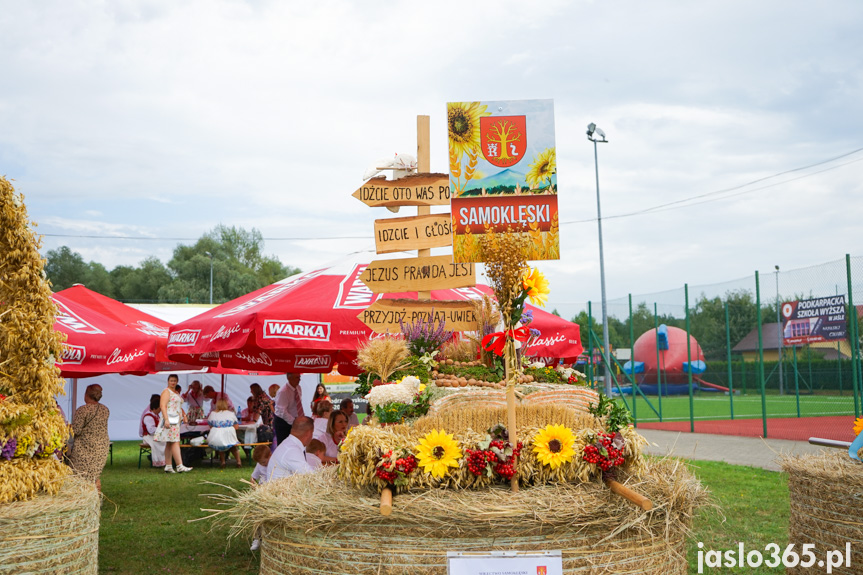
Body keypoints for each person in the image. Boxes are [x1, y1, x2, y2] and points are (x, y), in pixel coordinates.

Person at [69, 384, 111, 489]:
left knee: (80, 476)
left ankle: (84, 501)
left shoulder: (82, 410)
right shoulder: (105, 409)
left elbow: (76, 430)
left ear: (86, 395)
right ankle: (96, 500)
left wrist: (68, 427)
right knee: (95, 476)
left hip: (85, 448)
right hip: (101, 447)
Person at [154, 374, 193, 473]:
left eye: (175, 380)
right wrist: (166, 419)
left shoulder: (175, 392)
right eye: (171, 380)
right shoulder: (166, 391)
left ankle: (168, 465)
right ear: (168, 381)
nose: (173, 382)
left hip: (175, 420)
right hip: (170, 419)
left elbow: (178, 406)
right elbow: (163, 405)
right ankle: (179, 465)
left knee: (170, 442)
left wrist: (183, 415)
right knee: (175, 441)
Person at [266, 416, 314, 480]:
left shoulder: (289, 444)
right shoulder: (292, 450)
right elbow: (312, 476)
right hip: (282, 489)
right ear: (308, 433)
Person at [249, 444, 273, 551]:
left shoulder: (275, 463)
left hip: (272, 491)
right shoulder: (260, 465)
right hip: (262, 491)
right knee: (256, 513)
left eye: (263, 462)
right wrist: (253, 485)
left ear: (270, 456)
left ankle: (269, 537)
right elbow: (253, 477)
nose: (262, 465)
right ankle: (257, 538)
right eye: (260, 463)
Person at [207, 398, 242, 468]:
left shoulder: (212, 414)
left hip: (216, 436)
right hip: (229, 435)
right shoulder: (231, 413)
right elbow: (236, 427)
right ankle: (238, 461)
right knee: (233, 445)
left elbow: (210, 426)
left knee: (220, 444)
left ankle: (223, 462)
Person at [273, 373, 304, 445]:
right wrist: (294, 422)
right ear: (289, 378)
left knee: (296, 443)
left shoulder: (298, 388)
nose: (299, 379)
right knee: (284, 445)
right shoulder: (283, 391)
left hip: (294, 420)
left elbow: (298, 405)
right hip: (283, 422)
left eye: (299, 377)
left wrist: (300, 419)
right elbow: (282, 412)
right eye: (297, 377)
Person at [139, 394, 166, 467]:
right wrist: (162, 429)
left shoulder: (155, 415)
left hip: (154, 435)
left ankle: (165, 460)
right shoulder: (148, 416)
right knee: (160, 442)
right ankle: (159, 461)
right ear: (154, 408)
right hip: (148, 437)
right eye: (159, 408)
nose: (160, 410)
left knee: (166, 440)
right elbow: (151, 430)